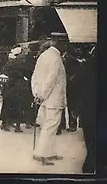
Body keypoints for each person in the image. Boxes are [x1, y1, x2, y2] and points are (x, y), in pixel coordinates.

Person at [31, 32, 69, 166]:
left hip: (44, 98)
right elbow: (50, 80)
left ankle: (50, 152)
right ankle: (42, 154)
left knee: (47, 125)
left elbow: (35, 76)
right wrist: (42, 95)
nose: (66, 47)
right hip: (53, 98)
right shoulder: (56, 59)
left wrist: (37, 93)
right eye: (65, 44)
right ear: (60, 43)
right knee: (50, 127)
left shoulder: (44, 55)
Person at [78, 45, 96, 173]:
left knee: (90, 138)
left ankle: (89, 167)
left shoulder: (85, 66)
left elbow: (76, 87)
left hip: (88, 109)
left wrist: (75, 108)